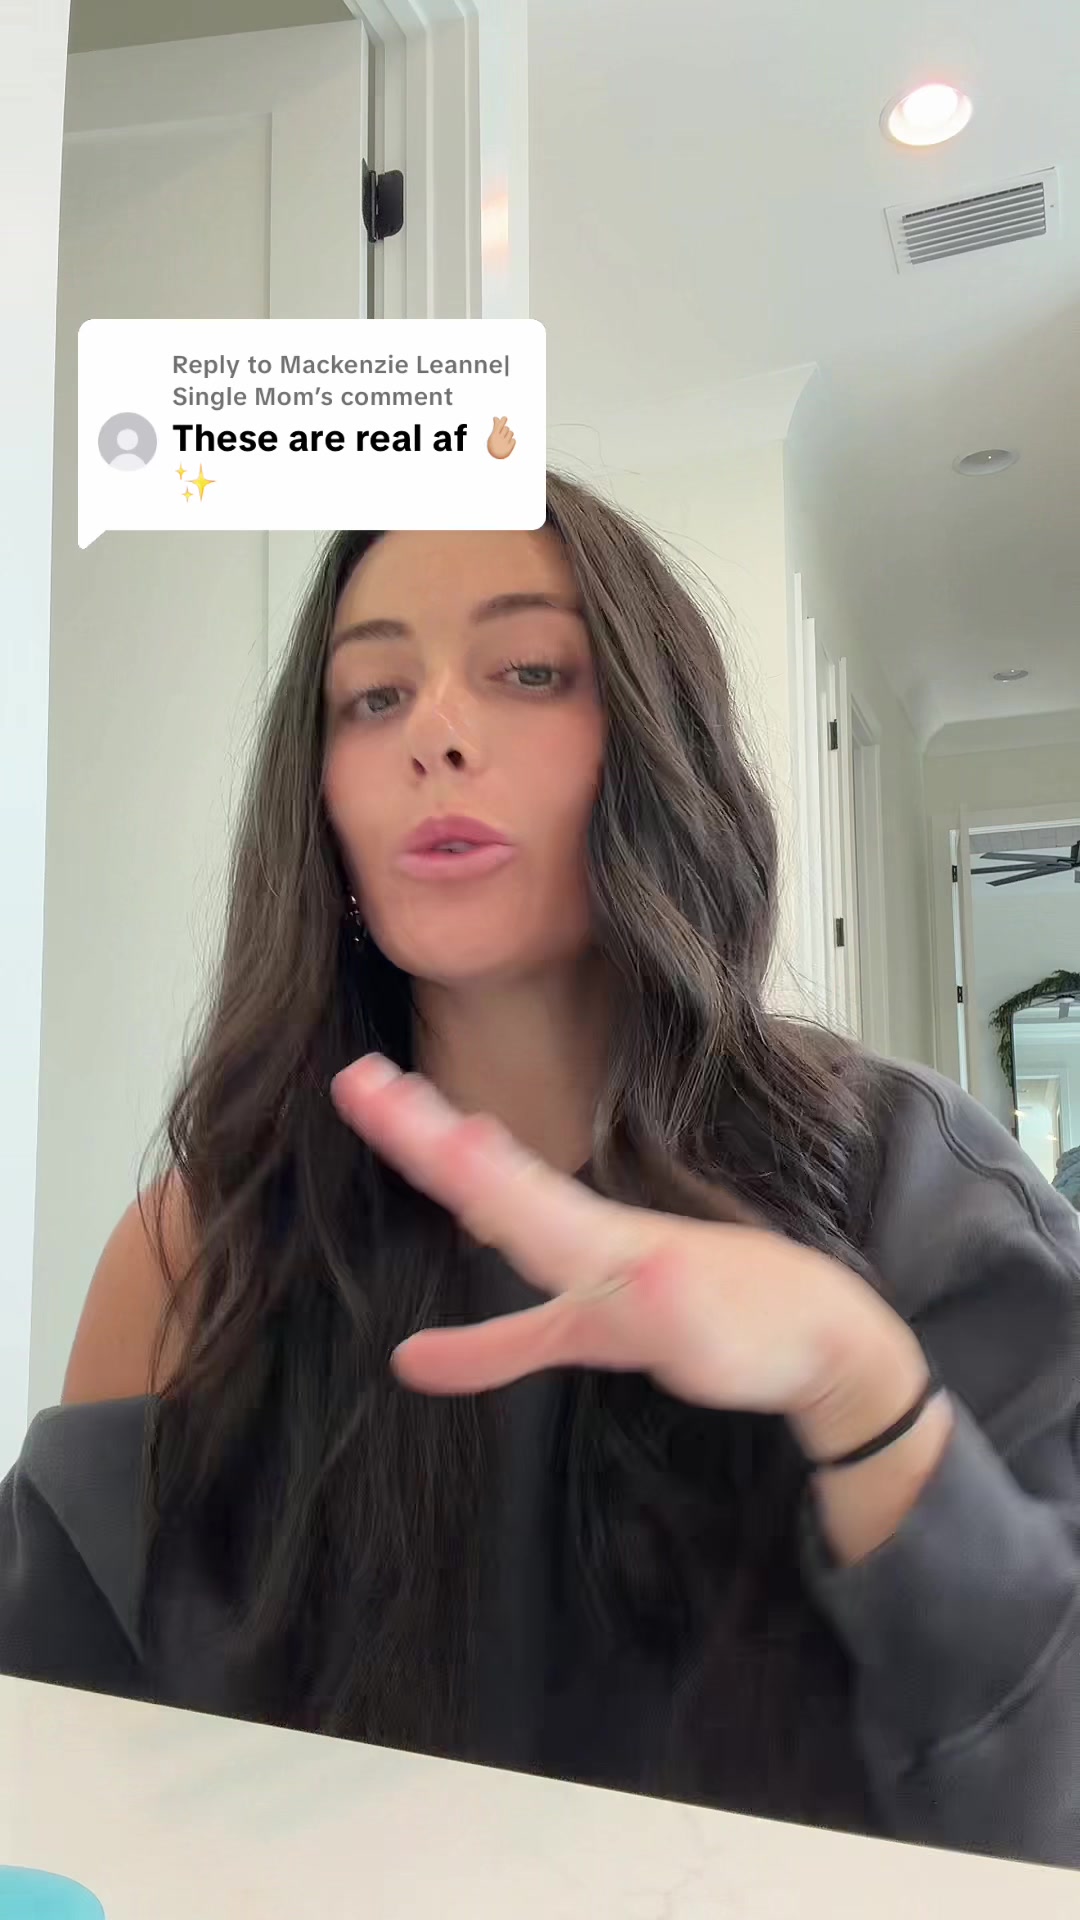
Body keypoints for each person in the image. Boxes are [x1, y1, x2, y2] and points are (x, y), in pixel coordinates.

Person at [2, 475, 1079, 1869]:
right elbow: (45, 1783)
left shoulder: (924, 1196)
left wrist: (856, 1386)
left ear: (655, 746)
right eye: (373, 697)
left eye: (527, 671)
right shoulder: (195, 1254)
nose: (436, 733)